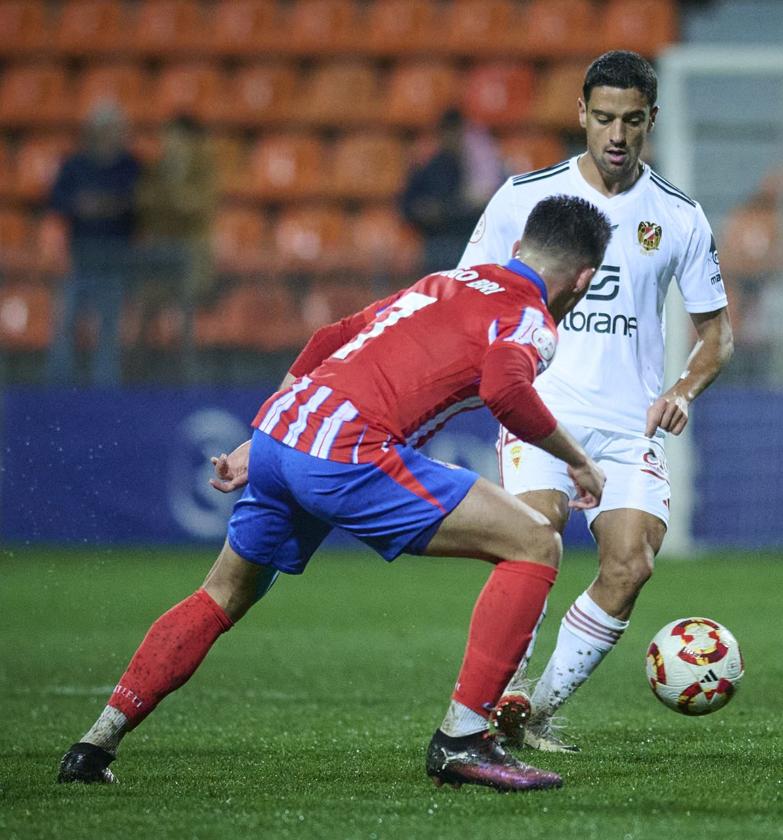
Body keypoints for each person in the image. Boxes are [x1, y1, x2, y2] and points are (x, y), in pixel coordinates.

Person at [56, 195, 613, 792]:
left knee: (219, 595)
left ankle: (95, 743)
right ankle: (461, 741)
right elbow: (505, 389)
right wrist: (577, 460)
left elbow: (333, 336)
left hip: (281, 434)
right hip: (347, 450)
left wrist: (262, 435)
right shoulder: (531, 317)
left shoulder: (447, 279)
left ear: (517, 249)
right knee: (534, 541)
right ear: (583, 279)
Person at [458, 50, 734, 751]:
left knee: (631, 563)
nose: (616, 134)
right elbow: (466, 296)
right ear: (581, 113)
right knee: (534, 533)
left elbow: (716, 336)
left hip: (627, 424)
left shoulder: (677, 216)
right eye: (603, 118)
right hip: (541, 416)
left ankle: (535, 709)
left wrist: (683, 388)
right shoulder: (524, 197)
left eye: (632, 121)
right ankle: (499, 692)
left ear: (652, 121)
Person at [45, 101, 142, 386]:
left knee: (109, 327)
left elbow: (135, 205)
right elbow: (60, 203)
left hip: (115, 260)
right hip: (79, 257)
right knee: (66, 324)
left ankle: (105, 386)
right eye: (103, 129)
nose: (109, 135)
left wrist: (99, 205)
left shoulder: (129, 166)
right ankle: (57, 385)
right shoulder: (75, 165)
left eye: (114, 129)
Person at [134, 114, 217, 381]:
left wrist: (173, 201)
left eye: (180, 138)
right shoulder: (156, 169)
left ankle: (187, 376)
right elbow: (144, 204)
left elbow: (198, 207)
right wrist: (177, 201)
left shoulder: (204, 170)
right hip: (159, 254)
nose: (173, 144)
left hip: (189, 256)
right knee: (148, 313)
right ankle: (140, 374)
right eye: (169, 137)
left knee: (186, 315)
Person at [399, 108, 506, 275]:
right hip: (437, 241)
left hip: (467, 239)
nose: (451, 138)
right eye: (447, 133)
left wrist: (448, 210)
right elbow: (407, 205)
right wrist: (424, 211)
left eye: (455, 133)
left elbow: (482, 205)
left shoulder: (475, 166)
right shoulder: (430, 166)